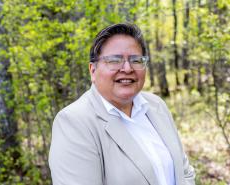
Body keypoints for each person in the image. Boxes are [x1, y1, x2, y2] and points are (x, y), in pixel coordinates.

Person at [49, 23, 195, 185]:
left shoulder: (156, 106)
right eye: (114, 60)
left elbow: (185, 173)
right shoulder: (74, 122)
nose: (127, 68)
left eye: (136, 60)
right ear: (93, 70)